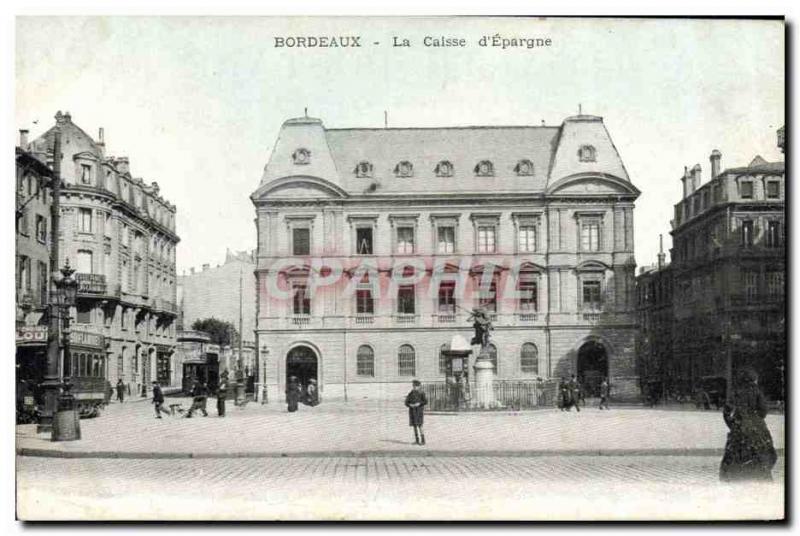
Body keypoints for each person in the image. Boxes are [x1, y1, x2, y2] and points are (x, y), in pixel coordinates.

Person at [719, 368, 778, 482]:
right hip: (756, 428)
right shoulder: (757, 391)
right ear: (754, 379)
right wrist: (756, 420)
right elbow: (764, 409)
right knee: (762, 452)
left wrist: (732, 425)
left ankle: (736, 477)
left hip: (739, 426)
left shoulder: (736, 391)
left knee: (736, 454)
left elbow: (727, 411)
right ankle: (758, 476)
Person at [405, 380, 428, 445]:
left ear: (419, 386)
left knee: (420, 425)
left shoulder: (422, 393)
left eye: (416, 386)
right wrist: (410, 405)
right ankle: (417, 440)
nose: (415, 387)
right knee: (414, 426)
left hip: (419, 411)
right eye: (414, 386)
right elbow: (406, 402)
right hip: (412, 411)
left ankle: (423, 441)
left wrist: (419, 403)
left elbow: (426, 401)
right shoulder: (411, 393)